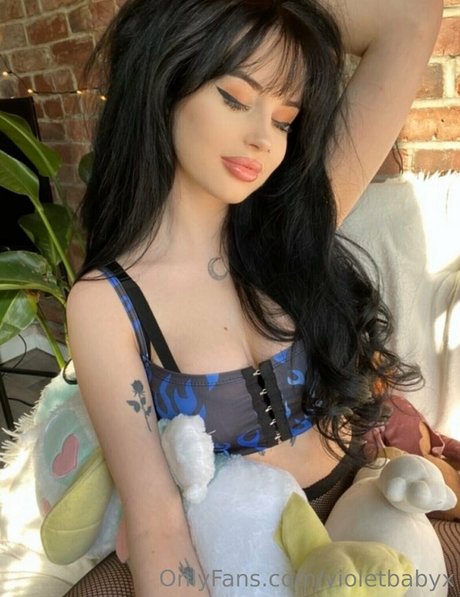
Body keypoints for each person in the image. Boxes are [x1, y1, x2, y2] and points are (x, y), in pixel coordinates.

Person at [65, 0, 445, 595]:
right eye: (235, 98)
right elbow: (158, 523)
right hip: (241, 557)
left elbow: (412, 16)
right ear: (166, 81)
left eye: (285, 120)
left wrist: (275, 17)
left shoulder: (295, 227)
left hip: (370, 517)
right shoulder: (106, 303)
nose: (262, 139)